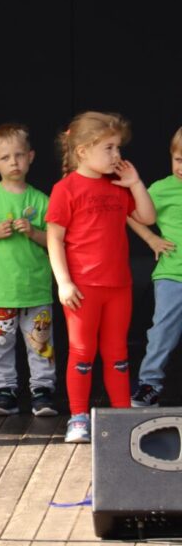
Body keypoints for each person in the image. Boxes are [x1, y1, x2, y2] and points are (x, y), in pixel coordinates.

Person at [47, 111, 155, 443]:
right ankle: (78, 417)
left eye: (118, 147)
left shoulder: (118, 186)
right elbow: (54, 238)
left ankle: (121, 416)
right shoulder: (66, 189)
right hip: (83, 289)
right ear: (82, 151)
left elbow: (147, 217)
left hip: (119, 286)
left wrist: (135, 183)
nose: (116, 155)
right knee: (81, 352)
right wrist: (64, 282)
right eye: (109, 148)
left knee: (117, 353)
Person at [0, 123, 57, 417]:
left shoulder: (41, 199)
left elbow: (55, 241)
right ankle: (4, 391)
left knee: (40, 342)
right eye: (5, 158)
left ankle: (42, 391)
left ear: (31, 157)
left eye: (19, 155)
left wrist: (33, 232)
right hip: (0, 290)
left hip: (35, 288)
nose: (13, 162)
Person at [128, 126, 182, 408]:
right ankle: (149, 384)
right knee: (162, 331)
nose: (181, 167)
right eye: (178, 159)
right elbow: (131, 211)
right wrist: (151, 238)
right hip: (172, 274)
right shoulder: (162, 189)